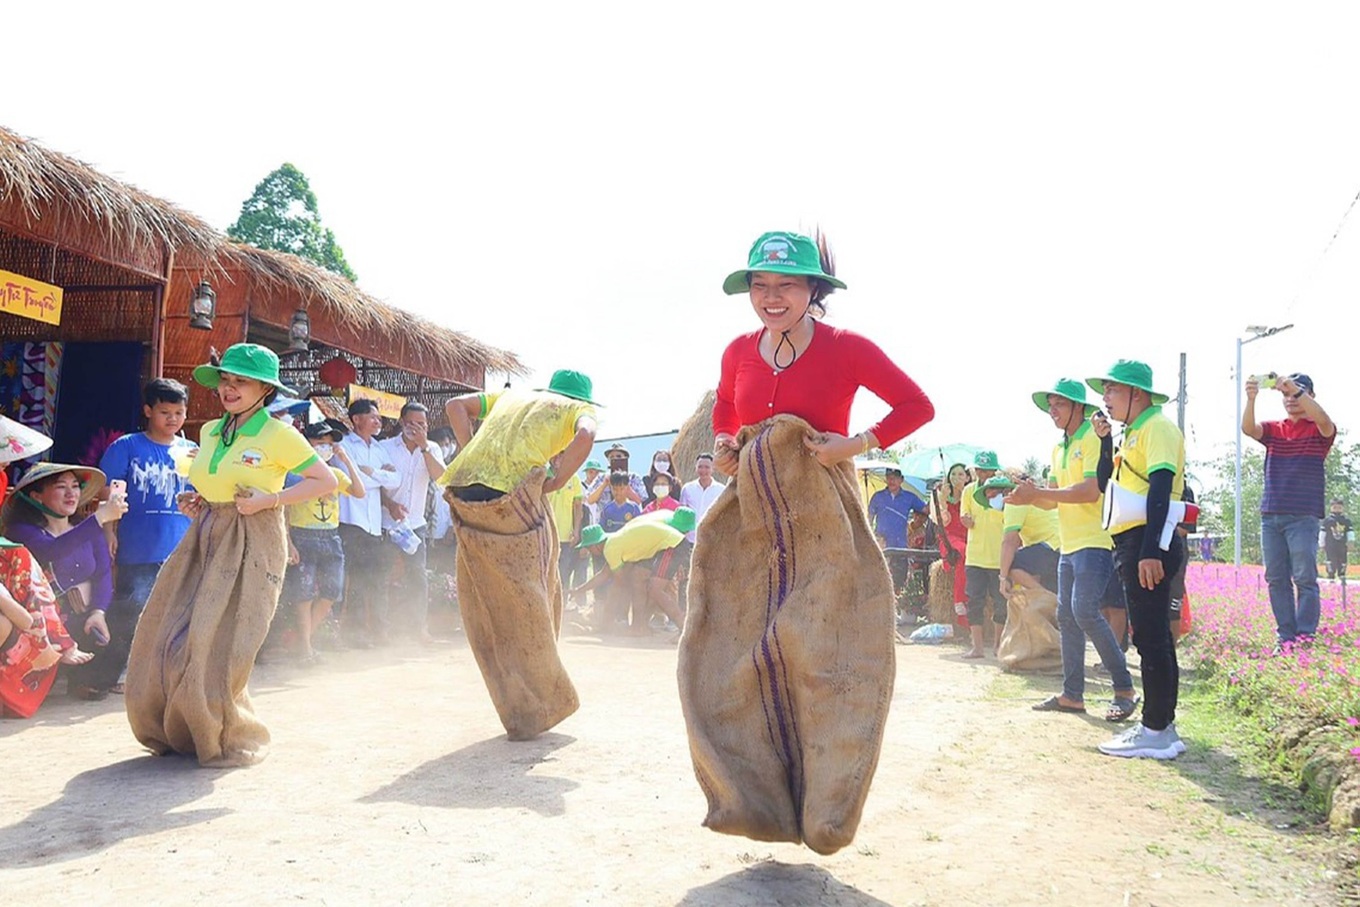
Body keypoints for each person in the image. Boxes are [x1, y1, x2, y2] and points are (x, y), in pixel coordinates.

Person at [684, 229, 934, 854]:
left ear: (812, 289)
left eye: (786, 285)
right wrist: (724, 441)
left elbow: (916, 404)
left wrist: (856, 445)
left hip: (824, 518)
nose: (771, 297)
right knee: (734, 655)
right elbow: (724, 410)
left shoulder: (847, 348)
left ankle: (827, 809)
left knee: (824, 656)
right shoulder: (738, 348)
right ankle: (756, 803)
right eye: (760, 286)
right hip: (752, 520)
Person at [125, 342, 337, 767]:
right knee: (169, 627)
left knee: (224, 637)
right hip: (206, 533)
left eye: (241, 381)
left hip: (255, 537)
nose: (229, 388)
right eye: (225, 380)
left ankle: (223, 735)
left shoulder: (280, 433)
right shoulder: (209, 431)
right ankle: (176, 727)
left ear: (265, 389)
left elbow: (325, 480)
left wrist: (270, 499)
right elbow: (212, 483)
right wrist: (197, 501)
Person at [439, 368, 598, 740]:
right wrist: (557, 481)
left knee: (488, 595)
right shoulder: (574, 410)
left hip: (463, 490)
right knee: (531, 594)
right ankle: (544, 699)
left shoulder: (509, 398)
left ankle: (519, 703)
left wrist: (471, 451)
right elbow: (587, 435)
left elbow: (454, 406)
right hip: (512, 494)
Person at [1006, 379, 1137, 719]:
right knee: (1068, 615)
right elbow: (1052, 500)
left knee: (1083, 611)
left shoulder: (1094, 437)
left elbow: (1091, 491)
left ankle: (1124, 687)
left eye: (1060, 404)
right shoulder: (1058, 449)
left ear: (1079, 406)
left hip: (1095, 541)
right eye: (1050, 405)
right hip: (1068, 545)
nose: (1053, 411)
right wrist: (1029, 494)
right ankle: (1072, 694)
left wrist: (1040, 495)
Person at [1088, 360, 1187, 760]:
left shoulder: (1157, 428)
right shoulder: (1134, 433)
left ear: (1137, 393)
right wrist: (1105, 441)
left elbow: (1162, 487)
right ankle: (1161, 723)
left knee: (1149, 636)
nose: (1106, 399)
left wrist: (1149, 551)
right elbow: (1104, 485)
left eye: (1112, 391)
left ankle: (1155, 729)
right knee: (1153, 635)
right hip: (1135, 539)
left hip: (1148, 540)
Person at [97, 377, 194, 695]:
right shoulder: (126, 447)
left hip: (181, 547)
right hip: (138, 548)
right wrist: (109, 532)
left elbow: (201, 495)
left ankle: (166, 674)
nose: (173, 419)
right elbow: (107, 494)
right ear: (148, 410)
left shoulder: (191, 451)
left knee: (179, 613)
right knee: (133, 609)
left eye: (179, 413)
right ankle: (120, 672)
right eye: (166, 412)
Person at [2, 463, 127, 700]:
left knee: (124, 618)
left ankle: (85, 680)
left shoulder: (87, 528)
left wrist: (98, 612)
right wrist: (99, 518)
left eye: (75, 486)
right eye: (61, 487)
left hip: (83, 618)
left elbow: (102, 574)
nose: (71, 493)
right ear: (36, 495)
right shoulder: (20, 532)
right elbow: (52, 550)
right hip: (40, 626)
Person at [1242, 372, 1336, 646]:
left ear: (1310, 396)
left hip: (1303, 515)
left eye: (1297, 394)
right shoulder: (1275, 429)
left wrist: (1295, 389)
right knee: (1276, 578)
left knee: (1305, 577)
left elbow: (1324, 420)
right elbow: (1249, 429)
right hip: (1271, 514)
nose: (1291, 400)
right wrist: (1251, 398)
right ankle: (1286, 638)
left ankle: (1305, 636)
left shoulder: (1319, 430)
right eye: (1285, 395)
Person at [284, 420, 366, 665]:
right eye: (321, 443)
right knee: (304, 593)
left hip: (331, 537)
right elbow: (284, 510)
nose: (326, 448)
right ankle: (306, 648)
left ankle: (302, 642)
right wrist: (288, 542)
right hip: (303, 535)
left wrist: (346, 460)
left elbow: (360, 492)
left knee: (332, 591)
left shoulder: (336, 474)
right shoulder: (293, 476)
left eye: (329, 444)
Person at [380, 401, 446, 644]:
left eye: (422, 424)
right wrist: (389, 504)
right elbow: (374, 485)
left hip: (415, 525)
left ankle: (418, 629)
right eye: (411, 424)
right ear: (401, 422)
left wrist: (423, 447)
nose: (416, 428)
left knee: (417, 577)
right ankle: (381, 631)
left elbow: (440, 477)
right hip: (387, 523)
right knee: (381, 576)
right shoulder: (385, 447)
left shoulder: (433, 448)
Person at [571, 508, 695, 634]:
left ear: (595, 545)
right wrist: (579, 590)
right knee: (639, 580)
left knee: (654, 589)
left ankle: (684, 628)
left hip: (672, 546)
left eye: (588, 548)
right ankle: (639, 626)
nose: (589, 552)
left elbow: (620, 582)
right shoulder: (616, 541)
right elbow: (605, 574)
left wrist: (608, 615)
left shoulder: (611, 548)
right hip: (668, 546)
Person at [338, 398, 400, 647]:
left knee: (374, 579)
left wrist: (370, 473)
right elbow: (349, 478)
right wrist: (377, 477)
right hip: (351, 520)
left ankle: (376, 632)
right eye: (373, 416)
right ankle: (352, 635)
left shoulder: (378, 448)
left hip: (374, 524)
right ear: (356, 419)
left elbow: (396, 480)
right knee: (354, 580)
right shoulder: (344, 445)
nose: (378, 421)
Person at [958, 451, 1005, 658]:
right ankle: (977, 647)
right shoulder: (969, 491)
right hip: (975, 556)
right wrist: (965, 520)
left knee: (1001, 603)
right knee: (974, 602)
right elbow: (963, 516)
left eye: (986, 470)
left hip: (998, 557)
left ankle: (998, 646)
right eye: (979, 469)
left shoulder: (1005, 493)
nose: (982, 474)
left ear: (995, 470)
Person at [869, 468, 924, 598]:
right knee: (879, 580)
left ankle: (897, 606)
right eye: (889, 477)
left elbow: (925, 510)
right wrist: (871, 538)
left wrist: (939, 495)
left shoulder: (909, 497)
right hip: (881, 545)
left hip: (900, 546)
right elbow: (868, 519)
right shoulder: (877, 497)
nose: (892, 480)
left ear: (901, 480)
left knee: (899, 580)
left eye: (895, 477)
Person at [932, 462, 971, 623]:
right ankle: (959, 600)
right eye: (953, 474)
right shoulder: (941, 495)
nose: (956, 478)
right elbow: (943, 522)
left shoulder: (971, 495)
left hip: (969, 536)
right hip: (950, 538)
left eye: (961, 474)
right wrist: (942, 500)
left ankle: (969, 606)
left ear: (967, 477)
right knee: (963, 552)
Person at [547, 463, 585, 597]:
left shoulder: (574, 478)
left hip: (565, 537)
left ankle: (561, 608)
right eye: (555, 453)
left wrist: (576, 531)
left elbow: (578, 507)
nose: (558, 458)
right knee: (547, 573)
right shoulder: (543, 477)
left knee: (563, 573)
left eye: (562, 453)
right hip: (546, 536)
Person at [1324, 498, 1352, 581]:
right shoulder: (1327, 520)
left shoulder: (1346, 520)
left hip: (1342, 545)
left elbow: (1350, 532)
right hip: (1330, 545)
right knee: (1330, 560)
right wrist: (1321, 543)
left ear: (1343, 508)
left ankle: (1342, 575)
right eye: (1335, 507)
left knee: (1343, 560)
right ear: (1331, 508)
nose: (1337, 510)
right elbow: (1323, 533)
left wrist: (1351, 542)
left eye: (1339, 508)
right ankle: (1331, 575)